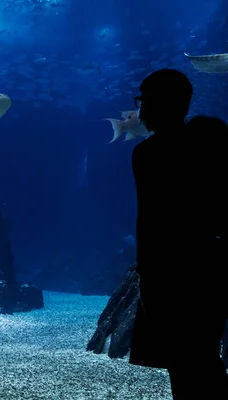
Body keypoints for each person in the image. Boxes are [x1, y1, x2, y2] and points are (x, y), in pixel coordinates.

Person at [129, 68, 228, 399]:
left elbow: (151, 222)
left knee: (184, 364)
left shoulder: (148, 154)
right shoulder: (210, 143)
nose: (139, 109)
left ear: (156, 103)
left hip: (168, 276)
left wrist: (145, 273)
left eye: (143, 100)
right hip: (211, 270)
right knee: (203, 358)